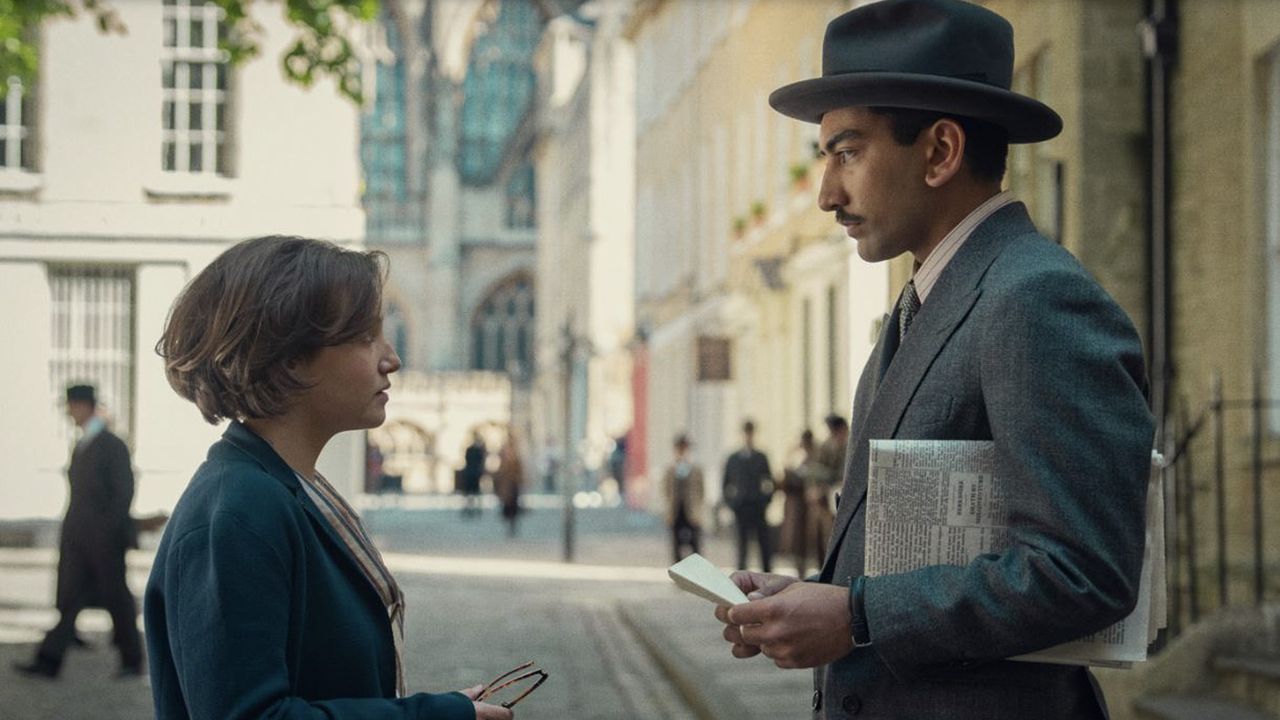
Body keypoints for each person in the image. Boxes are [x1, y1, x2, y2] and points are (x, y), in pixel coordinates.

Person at [713, 3, 1155, 718]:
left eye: (848, 151)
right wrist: (813, 598)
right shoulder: (928, 298)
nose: (827, 193)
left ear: (941, 152)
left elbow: (1084, 573)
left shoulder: (1034, 298)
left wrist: (856, 614)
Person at [146, 236, 512, 719]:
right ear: (290, 357)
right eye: (366, 337)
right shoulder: (240, 507)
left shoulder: (287, 488)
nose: (391, 359)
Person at [14, 384, 143, 680]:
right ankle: (49, 660)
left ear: (84, 406)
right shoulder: (84, 441)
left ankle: (132, 660)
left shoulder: (111, 443)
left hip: (104, 540)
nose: (70, 413)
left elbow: (124, 491)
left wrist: (108, 530)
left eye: (72, 406)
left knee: (116, 599)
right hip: (80, 539)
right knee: (71, 599)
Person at [721, 420, 775, 573]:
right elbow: (725, 484)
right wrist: (731, 503)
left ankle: (767, 574)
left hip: (758, 506)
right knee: (741, 545)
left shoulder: (761, 457)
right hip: (741, 506)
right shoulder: (733, 458)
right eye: (746, 433)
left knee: (764, 545)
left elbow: (770, 481)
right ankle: (741, 576)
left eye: (750, 433)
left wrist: (766, 500)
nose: (748, 436)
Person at [806, 414, 848, 570]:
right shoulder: (825, 446)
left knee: (834, 539)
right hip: (824, 502)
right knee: (820, 538)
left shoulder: (850, 446)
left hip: (840, 501)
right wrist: (814, 488)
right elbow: (815, 471)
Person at [661, 433, 705, 563]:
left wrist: (698, 509)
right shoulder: (670, 469)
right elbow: (666, 489)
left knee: (695, 543)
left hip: (691, 511)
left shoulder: (696, 469)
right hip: (676, 511)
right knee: (676, 545)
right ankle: (678, 569)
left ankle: (697, 569)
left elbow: (701, 491)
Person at [778, 429, 816, 578]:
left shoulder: (813, 459)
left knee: (806, 542)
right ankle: (800, 570)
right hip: (798, 508)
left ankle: (804, 570)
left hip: (807, 509)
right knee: (797, 543)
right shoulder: (803, 460)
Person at [493, 431, 525, 538]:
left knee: (513, 505)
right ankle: (509, 523)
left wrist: (521, 480)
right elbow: (500, 468)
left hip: (513, 483)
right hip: (506, 483)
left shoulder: (516, 453)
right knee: (507, 504)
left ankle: (512, 525)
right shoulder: (504, 452)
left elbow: (520, 469)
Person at [460, 433, 487, 518]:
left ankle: (473, 508)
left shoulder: (474, 450)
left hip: (473, 473)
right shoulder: (476, 450)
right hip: (473, 473)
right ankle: (472, 508)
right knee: (472, 492)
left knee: (472, 493)